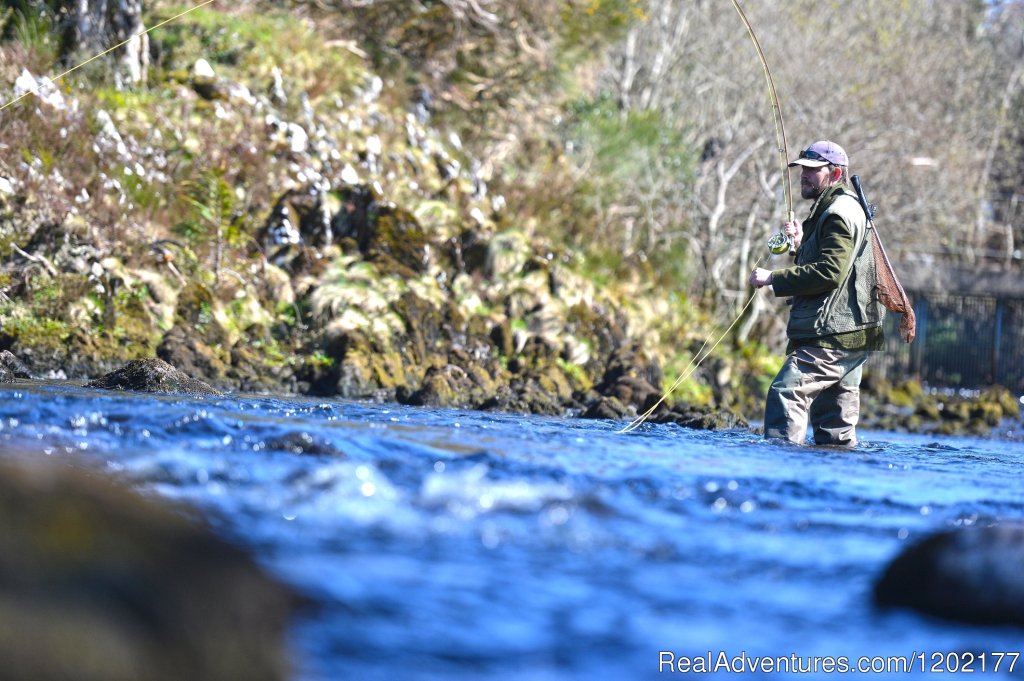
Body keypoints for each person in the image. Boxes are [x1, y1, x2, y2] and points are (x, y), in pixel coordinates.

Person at [748, 140, 884, 446]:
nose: (803, 176)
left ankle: (781, 475)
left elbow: (829, 273)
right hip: (852, 332)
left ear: (835, 174)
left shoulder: (836, 213)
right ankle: (829, 487)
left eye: (812, 170)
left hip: (832, 334)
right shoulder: (841, 208)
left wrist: (773, 278)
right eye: (802, 170)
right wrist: (800, 245)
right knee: (835, 433)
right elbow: (836, 265)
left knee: (787, 392)